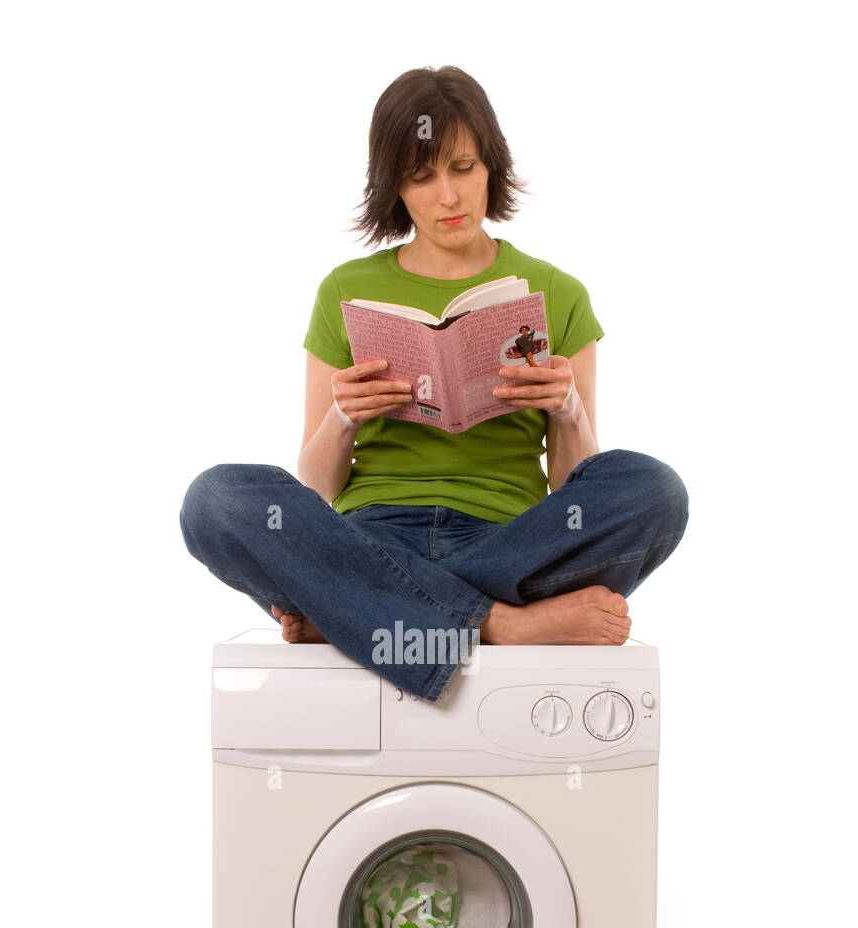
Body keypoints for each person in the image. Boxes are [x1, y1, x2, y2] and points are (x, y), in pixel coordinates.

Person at [180, 65, 689, 704]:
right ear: (395, 187)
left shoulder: (558, 294)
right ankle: (502, 625)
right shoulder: (344, 289)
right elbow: (314, 488)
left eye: (463, 168)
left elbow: (574, 486)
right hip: (371, 532)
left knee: (655, 490)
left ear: (491, 167)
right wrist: (343, 416)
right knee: (217, 501)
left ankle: (359, 614)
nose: (448, 196)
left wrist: (568, 411)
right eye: (422, 177)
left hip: (509, 541)